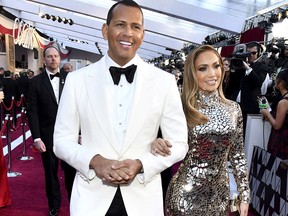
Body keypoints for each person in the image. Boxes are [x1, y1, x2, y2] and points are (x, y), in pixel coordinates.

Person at [53, 1, 188, 216]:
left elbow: (180, 143)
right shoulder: (77, 80)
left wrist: (141, 164)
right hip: (91, 199)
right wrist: (95, 162)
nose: (128, 33)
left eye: (136, 27)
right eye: (120, 25)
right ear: (106, 30)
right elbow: (61, 141)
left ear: (143, 34)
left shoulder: (164, 81)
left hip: (143, 201)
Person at [152, 45, 250, 215]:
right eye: (203, 68)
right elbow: (162, 140)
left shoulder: (234, 109)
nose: (212, 74)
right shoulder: (182, 107)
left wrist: (245, 194)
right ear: (192, 73)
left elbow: (238, 154)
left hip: (219, 196)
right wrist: (156, 142)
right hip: (185, 194)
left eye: (216, 66)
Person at [27, 45, 76, 216]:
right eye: (50, 56)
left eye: (56, 56)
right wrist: (36, 138)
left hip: (69, 135)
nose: (53, 59)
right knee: (51, 173)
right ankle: (54, 205)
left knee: (71, 172)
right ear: (44, 59)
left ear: (60, 58)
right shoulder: (35, 82)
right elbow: (32, 111)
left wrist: (80, 133)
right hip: (47, 136)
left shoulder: (71, 79)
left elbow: (79, 108)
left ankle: (74, 203)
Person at [260, 69, 288, 160]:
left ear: (281, 82)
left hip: (281, 141)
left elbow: (277, 125)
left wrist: (267, 114)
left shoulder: (284, 102)